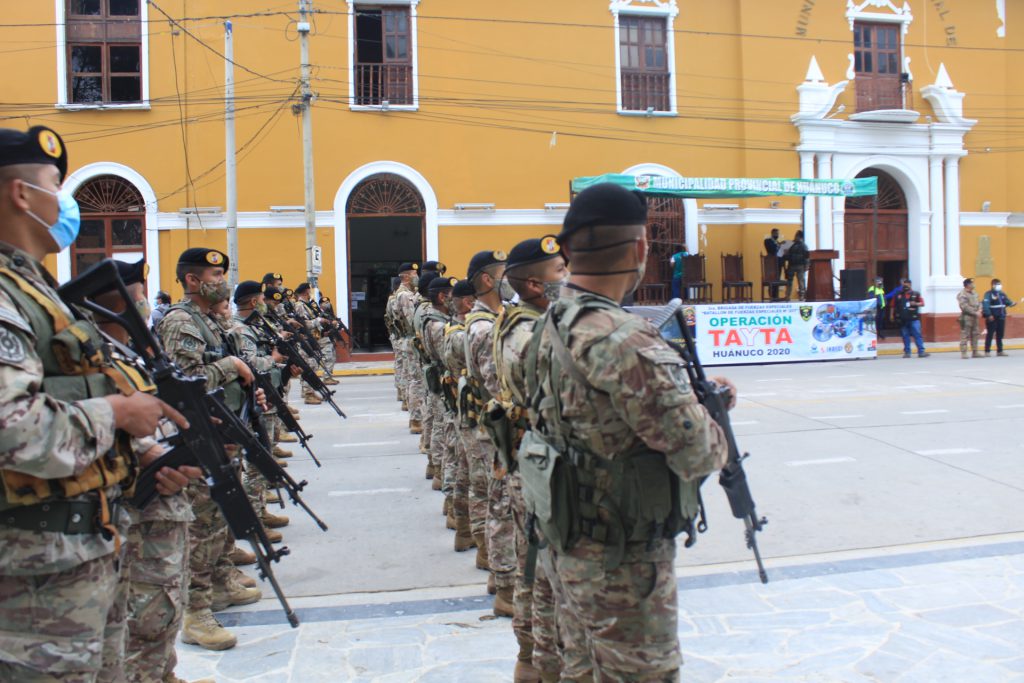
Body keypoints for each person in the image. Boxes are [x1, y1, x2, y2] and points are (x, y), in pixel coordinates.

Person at [0, 125, 193, 682]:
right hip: (31, 577)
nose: (65, 203)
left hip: (77, 554)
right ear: (20, 195)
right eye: (55, 185)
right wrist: (117, 414)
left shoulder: (29, 289)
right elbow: (14, 428)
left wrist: (143, 452)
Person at [524, 182, 732, 681]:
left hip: (567, 544)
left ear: (570, 251)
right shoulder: (624, 339)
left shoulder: (551, 322)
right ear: (641, 250)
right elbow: (700, 453)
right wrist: (712, 413)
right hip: (622, 565)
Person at [496, 237, 591, 682]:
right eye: (558, 271)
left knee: (531, 567)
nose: (567, 276)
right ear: (534, 284)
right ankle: (544, 663)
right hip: (541, 469)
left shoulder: (519, 320)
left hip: (528, 462)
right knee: (546, 575)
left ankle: (530, 659)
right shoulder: (533, 332)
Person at [157, 247, 260, 651]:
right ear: (192, 281)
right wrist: (232, 368)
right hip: (199, 436)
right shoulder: (182, 321)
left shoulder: (209, 321)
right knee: (201, 524)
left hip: (222, 431)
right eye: (214, 274)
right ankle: (195, 613)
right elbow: (187, 380)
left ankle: (220, 582)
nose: (222, 280)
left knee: (219, 516)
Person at [464, 249, 516, 616]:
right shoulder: (483, 327)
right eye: (504, 272)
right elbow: (501, 387)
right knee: (503, 506)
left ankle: (505, 580)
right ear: (488, 279)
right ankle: (506, 588)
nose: (508, 278)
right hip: (499, 430)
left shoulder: (502, 317)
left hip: (509, 428)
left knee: (508, 505)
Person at [893, 278, 929, 358]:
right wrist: (892, 315)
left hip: (914, 318)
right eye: (904, 284)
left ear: (910, 285)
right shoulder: (898, 294)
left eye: (907, 284)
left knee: (917, 334)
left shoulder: (916, 294)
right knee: (905, 336)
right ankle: (907, 352)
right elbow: (893, 306)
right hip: (903, 319)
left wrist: (915, 303)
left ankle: (921, 351)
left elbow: (922, 303)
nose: (905, 286)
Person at [982, 277, 1017, 356]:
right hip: (992, 317)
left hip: (1001, 316)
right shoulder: (988, 294)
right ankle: (987, 351)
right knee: (990, 334)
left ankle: (1000, 351)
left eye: (1000, 284)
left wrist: (1013, 303)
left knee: (1000, 334)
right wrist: (989, 315)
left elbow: (1007, 302)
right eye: (998, 284)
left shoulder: (1002, 294)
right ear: (993, 285)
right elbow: (986, 305)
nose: (999, 286)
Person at [957, 278, 983, 359]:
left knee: (975, 334)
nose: (973, 284)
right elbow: (964, 306)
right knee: (965, 334)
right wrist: (975, 312)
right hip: (967, 317)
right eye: (972, 283)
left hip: (975, 316)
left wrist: (980, 309)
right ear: (968, 285)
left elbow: (979, 302)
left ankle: (975, 351)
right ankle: (964, 352)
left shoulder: (974, 293)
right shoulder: (962, 294)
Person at [784, 230, 810, 301]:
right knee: (790, 281)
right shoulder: (791, 244)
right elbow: (786, 255)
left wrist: (807, 265)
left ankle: (801, 296)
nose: (795, 237)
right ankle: (787, 296)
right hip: (792, 265)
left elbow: (807, 256)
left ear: (800, 237)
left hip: (799, 265)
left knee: (801, 281)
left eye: (797, 236)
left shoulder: (803, 245)